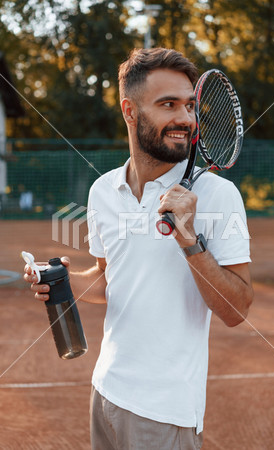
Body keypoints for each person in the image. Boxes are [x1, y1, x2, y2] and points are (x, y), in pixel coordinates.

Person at [24, 48, 253, 450]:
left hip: (165, 412)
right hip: (106, 392)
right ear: (130, 111)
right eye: (168, 105)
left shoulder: (218, 195)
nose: (185, 118)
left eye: (189, 105)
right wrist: (62, 282)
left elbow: (237, 310)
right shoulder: (103, 191)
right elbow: (111, 278)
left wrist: (189, 240)